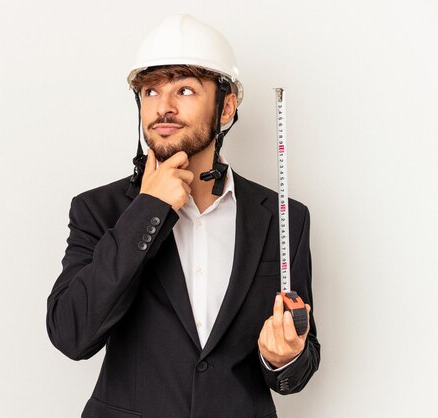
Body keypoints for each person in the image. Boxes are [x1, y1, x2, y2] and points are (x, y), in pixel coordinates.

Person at [46, 14, 320, 418]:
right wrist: (147, 211)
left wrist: (284, 357)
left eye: (186, 89)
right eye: (151, 90)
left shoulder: (283, 218)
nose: (164, 107)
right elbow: (72, 335)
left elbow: (301, 362)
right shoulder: (98, 210)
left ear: (226, 107)